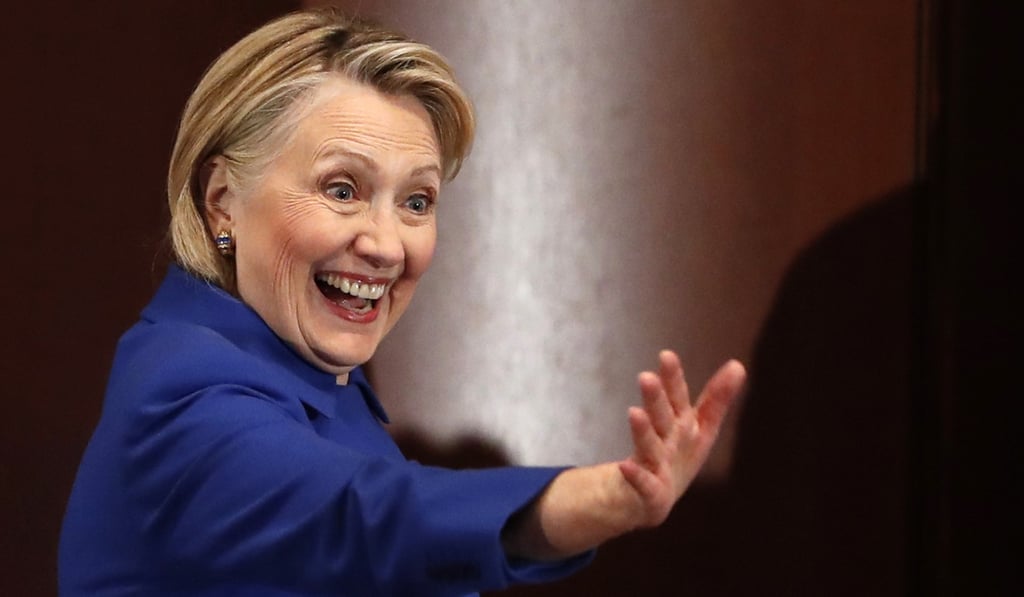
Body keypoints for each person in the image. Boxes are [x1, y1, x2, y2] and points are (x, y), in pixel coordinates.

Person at [58, 9, 746, 596]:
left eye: (416, 201)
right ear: (221, 203)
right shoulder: (181, 393)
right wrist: (603, 497)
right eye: (342, 189)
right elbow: (364, 516)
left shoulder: (320, 379)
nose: (387, 246)